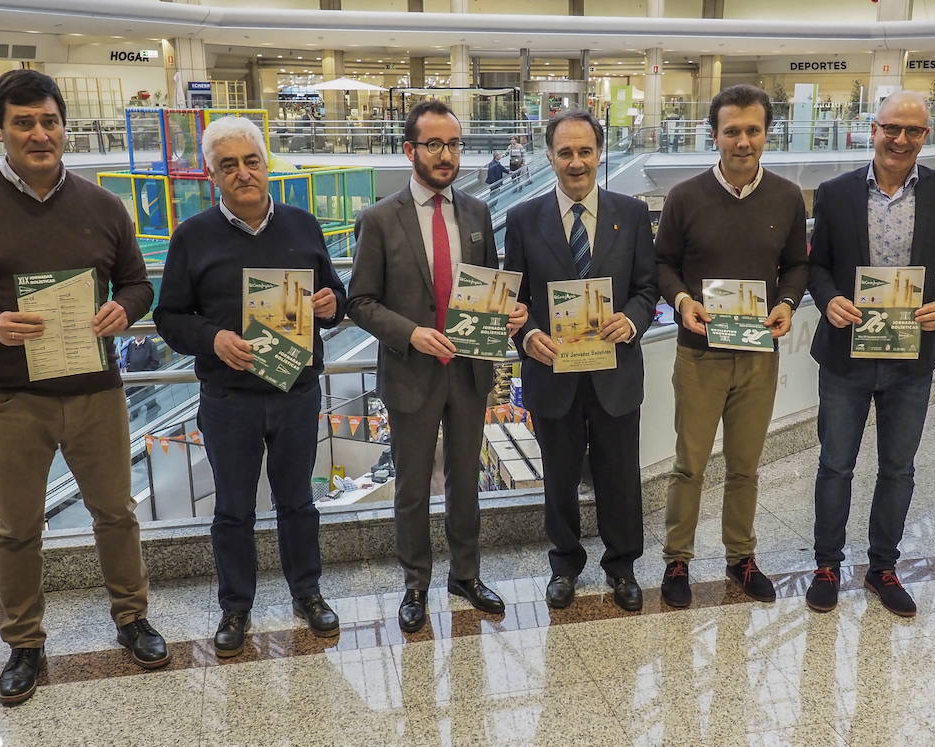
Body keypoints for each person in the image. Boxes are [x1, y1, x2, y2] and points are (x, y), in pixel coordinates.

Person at [0, 69, 169, 705]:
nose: (39, 133)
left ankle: (132, 619)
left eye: (49, 121)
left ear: (63, 127)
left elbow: (137, 283)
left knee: (116, 512)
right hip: (8, 396)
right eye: (23, 122)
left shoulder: (103, 205)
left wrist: (125, 310)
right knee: (16, 526)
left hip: (95, 390)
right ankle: (24, 642)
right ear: (0, 130)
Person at [154, 115, 347, 656]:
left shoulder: (304, 226)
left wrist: (333, 305)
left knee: (298, 502)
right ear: (212, 175)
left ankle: (307, 593)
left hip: (296, 393)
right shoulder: (192, 237)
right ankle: (235, 607)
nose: (243, 173)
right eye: (228, 165)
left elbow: (334, 294)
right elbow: (169, 317)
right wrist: (212, 338)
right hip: (229, 400)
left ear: (267, 164)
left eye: (251, 161)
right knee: (233, 510)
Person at [348, 100, 527, 633]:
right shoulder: (379, 219)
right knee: (411, 486)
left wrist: (508, 312)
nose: (446, 154)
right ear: (410, 150)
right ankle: (416, 583)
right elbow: (360, 302)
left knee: (466, 481)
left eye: (453, 144)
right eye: (434, 144)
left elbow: (487, 281)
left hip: (469, 370)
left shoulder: (476, 212)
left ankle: (465, 576)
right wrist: (411, 334)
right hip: (412, 371)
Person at [803, 91, 935, 617]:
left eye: (913, 131)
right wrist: (828, 300)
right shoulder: (834, 193)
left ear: (926, 136)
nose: (900, 139)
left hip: (911, 356)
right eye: (891, 128)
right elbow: (816, 265)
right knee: (835, 465)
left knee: (899, 468)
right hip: (846, 355)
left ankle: (883, 567)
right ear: (872, 129)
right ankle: (827, 564)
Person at [655, 84, 809, 608]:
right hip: (699, 352)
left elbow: (798, 266)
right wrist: (680, 300)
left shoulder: (788, 197)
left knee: (745, 464)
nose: (743, 142)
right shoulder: (685, 197)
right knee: (689, 464)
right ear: (714, 135)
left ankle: (741, 556)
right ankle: (678, 558)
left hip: (757, 355)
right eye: (732, 131)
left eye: (752, 130)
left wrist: (787, 302)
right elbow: (662, 263)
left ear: (767, 134)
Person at [505, 110, 659, 612]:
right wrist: (527, 335)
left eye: (585, 151)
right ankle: (564, 564)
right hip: (553, 372)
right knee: (559, 476)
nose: (576, 163)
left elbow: (646, 287)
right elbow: (515, 299)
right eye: (565, 152)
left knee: (620, 474)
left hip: (614, 370)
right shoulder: (524, 219)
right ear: (549, 156)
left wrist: (632, 320)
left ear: (600, 153)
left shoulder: (632, 213)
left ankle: (622, 566)